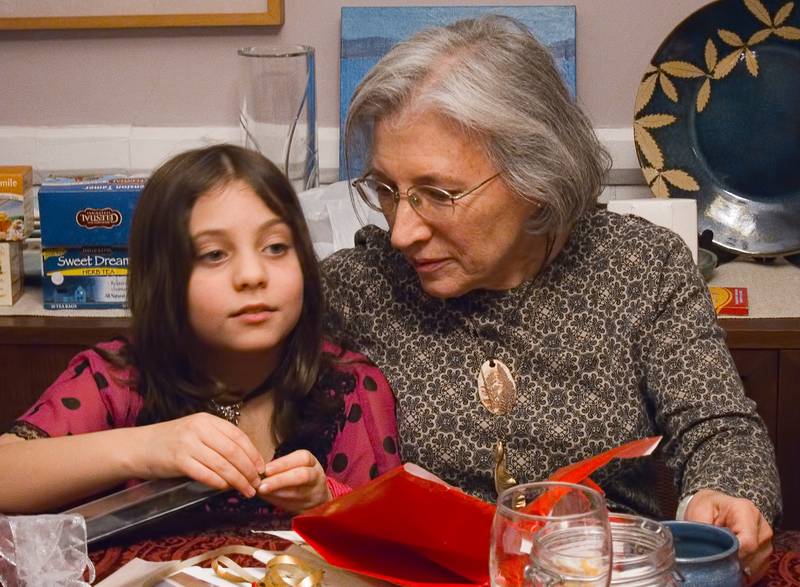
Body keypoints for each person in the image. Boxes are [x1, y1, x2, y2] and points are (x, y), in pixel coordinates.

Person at [323, 15, 780, 581]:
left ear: (533, 175)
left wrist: (729, 493)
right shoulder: (358, 287)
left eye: (437, 194)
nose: (402, 232)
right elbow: (220, 381)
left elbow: (717, 426)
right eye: (388, 191)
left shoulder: (640, 265)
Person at [0, 144, 399, 521]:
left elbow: (393, 532)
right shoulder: (118, 380)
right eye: (214, 255)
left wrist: (326, 499)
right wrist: (146, 448)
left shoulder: (350, 388)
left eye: (276, 247)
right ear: (163, 278)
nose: (252, 275)